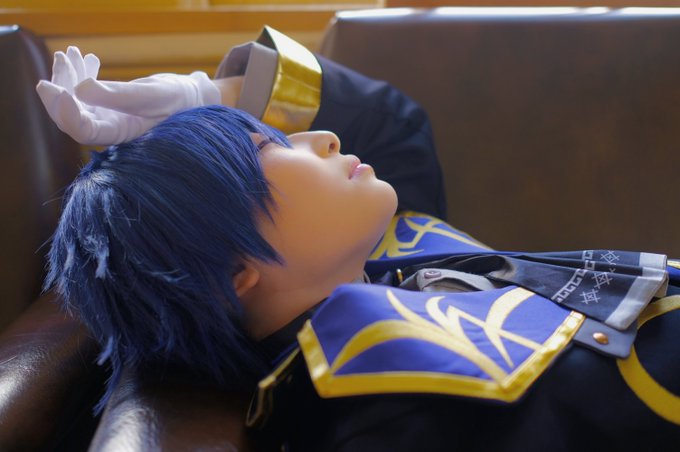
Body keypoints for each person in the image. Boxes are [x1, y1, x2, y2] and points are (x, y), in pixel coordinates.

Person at [37, 27, 679, 451]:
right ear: (235, 272)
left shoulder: (383, 254)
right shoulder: (373, 400)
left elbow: (395, 122)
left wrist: (210, 95)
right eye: (271, 148)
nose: (325, 138)